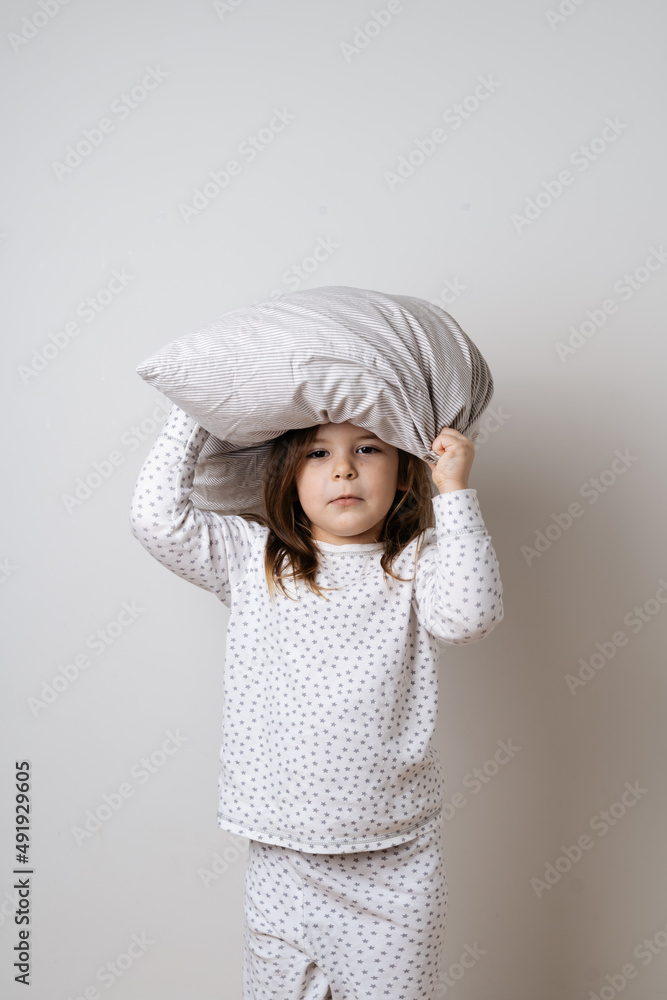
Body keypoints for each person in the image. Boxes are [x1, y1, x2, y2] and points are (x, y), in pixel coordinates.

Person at [129, 402, 503, 1000]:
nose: (345, 470)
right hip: (284, 860)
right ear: (286, 475)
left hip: (394, 862)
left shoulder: (418, 560)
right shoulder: (254, 558)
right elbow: (155, 519)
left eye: (369, 449)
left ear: (406, 470)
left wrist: (454, 491)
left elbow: (469, 618)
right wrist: (192, 408)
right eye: (318, 453)